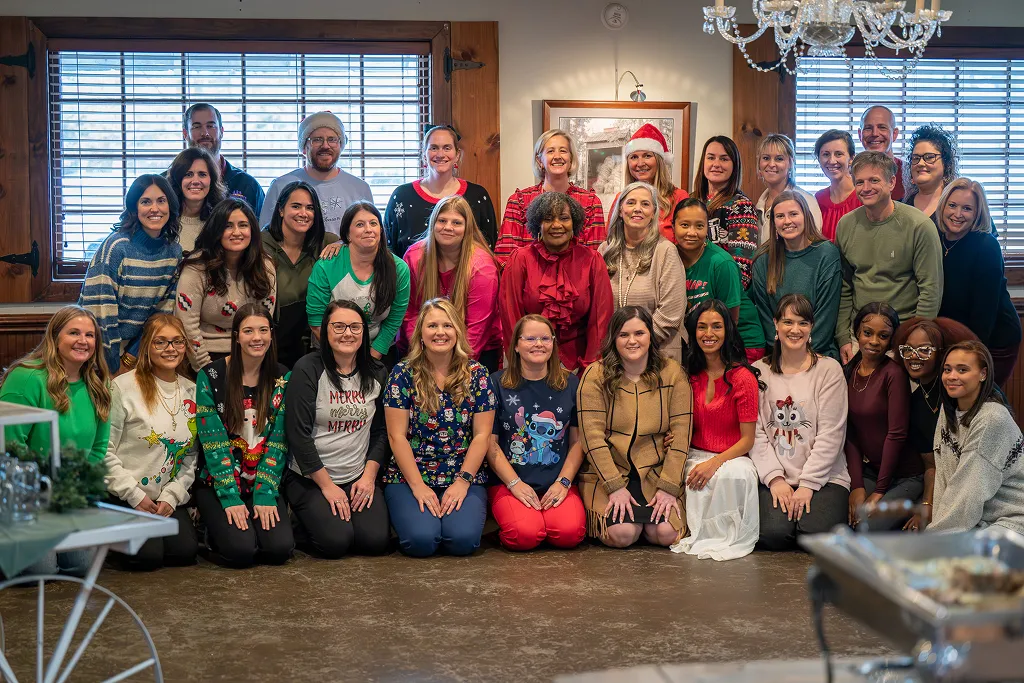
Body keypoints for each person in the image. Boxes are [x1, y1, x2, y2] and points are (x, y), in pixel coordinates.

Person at [0, 306, 112, 576]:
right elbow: (10, 449)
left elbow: (98, 448)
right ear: (55, 337)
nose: (82, 341)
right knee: (42, 569)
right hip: (21, 492)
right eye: (73, 333)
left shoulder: (99, 384)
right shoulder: (27, 377)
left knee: (82, 565)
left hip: (69, 492)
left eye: (89, 335)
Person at [382, 299, 496, 557]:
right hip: (411, 472)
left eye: (447, 325)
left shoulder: (477, 374)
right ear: (420, 333)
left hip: (462, 470)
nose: (440, 332)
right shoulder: (402, 373)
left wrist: (463, 482)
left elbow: (482, 435)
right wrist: (417, 486)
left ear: (457, 332)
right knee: (421, 542)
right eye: (432, 325)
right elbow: (396, 436)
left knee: (462, 541)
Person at [576, 306, 693, 548]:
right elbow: (592, 438)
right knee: (623, 535)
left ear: (651, 335)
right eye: (623, 335)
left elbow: (681, 434)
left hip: (655, 471)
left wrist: (669, 486)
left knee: (665, 534)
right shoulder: (595, 376)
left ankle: (649, 519)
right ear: (613, 339)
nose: (632, 341)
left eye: (639, 333)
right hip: (611, 470)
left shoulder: (672, 374)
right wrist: (614, 486)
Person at [283, 300, 391, 558]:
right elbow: (298, 435)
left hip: (357, 475)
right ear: (325, 330)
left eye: (355, 327)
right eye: (339, 326)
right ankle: (302, 523)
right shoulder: (307, 369)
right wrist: (327, 486)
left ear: (364, 333)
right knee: (335, 543)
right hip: (310, 478)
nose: (347, 333)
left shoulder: (377, 372)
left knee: (374, 542)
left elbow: (381, 432)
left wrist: (368, 477)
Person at [193, 304, 293, 567]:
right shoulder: (212, 376)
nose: (256, 338)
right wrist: (229, 497)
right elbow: (213, 444)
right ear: (236, 336)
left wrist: (265, 493)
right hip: (218, 480)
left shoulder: (283, 377)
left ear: (272, 335)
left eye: (263, 330)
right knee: (240, 552)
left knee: (280, 549)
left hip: (260, 478)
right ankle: (208, 527)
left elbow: (278, 443)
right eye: (248, 331)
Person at [750, 294, 849, 551]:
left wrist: (807, 485)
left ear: (811, 327)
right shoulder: (758, 371)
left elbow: (831, 434)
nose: (795, 330)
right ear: (775, 324)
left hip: (825, 478)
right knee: (773, 535)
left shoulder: (829, 370)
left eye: (803, 323)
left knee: (813, 535)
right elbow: (757, 432)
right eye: (788, 322)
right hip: (776, 476)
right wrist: (775, 479)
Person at [104, 314, 198, 570]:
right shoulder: (123, 387)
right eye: (161, 342)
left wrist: (172, 496)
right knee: (147, 558)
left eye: (177, 342)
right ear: (147, 346)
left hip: (165, 498)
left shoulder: (193, 390)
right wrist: (133, 495)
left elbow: (191, 456)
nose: (171, 349)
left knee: (184, 552)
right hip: (126, 495)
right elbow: (105, 451)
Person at [486, 314, 586, 551]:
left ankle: (544, 518)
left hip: (556, 481)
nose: (538, 344)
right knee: (525, 535)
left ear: (553, 343)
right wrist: (514, 483)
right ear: (517, 345)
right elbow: (489, 444)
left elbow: (577, 441)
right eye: (530, 338)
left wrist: (564, 482)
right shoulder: (496, 383)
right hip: (509, 480)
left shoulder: (571, 383)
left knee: (569, 534)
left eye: (545, 338)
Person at [670, 299, 760, 561]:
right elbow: (684, 422)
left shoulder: (742, 378)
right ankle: (690, 530)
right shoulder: (690, 375)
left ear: (728, 331)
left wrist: (715, 463)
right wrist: (674, 438)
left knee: (736, 476)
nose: (708, 334)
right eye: (702, 327)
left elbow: (747, 440)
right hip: (694, 453)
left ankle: (725, 537)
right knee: (689, 474)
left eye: (716, 327)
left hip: (731, 456)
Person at [835, 151, 943, 364]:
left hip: (903, 336)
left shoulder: (919, 226)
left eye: (874, 180)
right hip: (860, 336)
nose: (866, 188)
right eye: (860, 182)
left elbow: (931, 289)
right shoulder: (846, 225)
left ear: (892, 182)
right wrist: (843, 337)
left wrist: (914, 338)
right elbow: (844, 286)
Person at [79, 174, 183, 374]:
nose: (155, 209)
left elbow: (161, 315)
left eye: (161, 201)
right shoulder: (115, 248)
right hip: (96, 352)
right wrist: (111, 366)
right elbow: (99, 314)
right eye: (146, 202)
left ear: (171, 206)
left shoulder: (174, 253)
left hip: (138, 353)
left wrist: (130, 357)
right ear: (135, 209)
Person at [499, 192, 613, 372]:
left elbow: (600, 321)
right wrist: (520, 363)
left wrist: (590, 369)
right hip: (529, 363)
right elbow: (510, 315)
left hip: (578, 364)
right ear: (538, 224)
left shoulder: (592, 260)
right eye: (549, 219)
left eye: (564, 218)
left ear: (574, 222)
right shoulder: (520, 259)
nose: (557, 225)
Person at [892, 317, 978, 532]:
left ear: (941, 352)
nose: (914, 357)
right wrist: (927, 505)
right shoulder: (916, 403)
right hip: (941, 484)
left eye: (924, 350)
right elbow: (931, 465)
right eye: (908, 350)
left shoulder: (957, 389)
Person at [929, 341, 1024, 535]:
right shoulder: (948, 412)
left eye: (962, 370)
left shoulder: (991, 418)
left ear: (983, 374)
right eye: (948, 369)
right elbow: (945, 479)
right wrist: (936, 533)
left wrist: (935, 540)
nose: (952, 376)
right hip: (975, 519)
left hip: (1010, 521)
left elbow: (969, 492)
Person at [843, 303, 923, 531]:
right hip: (872, 471)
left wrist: (879, 491)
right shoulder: (849, 371)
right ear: (857, 332)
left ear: (891, 339)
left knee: (867, 525)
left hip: (906, 476)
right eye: (867, 333)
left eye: (883, 335)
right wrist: (857, 485)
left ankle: (917, 506)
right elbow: (850, 434)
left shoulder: (894, 374)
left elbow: (896, 435)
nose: (874, 341)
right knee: (843, 518)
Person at [935, 177, 1021, 386]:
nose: (957, 214)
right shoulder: (936, 237)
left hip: (993, 340)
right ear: (943, 205)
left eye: (967, 208)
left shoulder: (986, 245)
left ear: (977, 213)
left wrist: (970, 355)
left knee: (982, 399)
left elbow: (984, 312)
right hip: (955, 338)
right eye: (952, 205)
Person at [175, 198, 277, 370]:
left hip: (251, 354)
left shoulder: (265, 266)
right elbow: (187, 325)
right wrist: (208, 372)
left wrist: (250, 365)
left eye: (243, 225)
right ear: (216, 230)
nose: (236, 232)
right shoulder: (197, 267)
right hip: (203, 357)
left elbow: (263, 323)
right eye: (228, 226)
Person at [400, 196, 500, 368]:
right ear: (433, 223)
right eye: (442, 221)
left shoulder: (482, 268)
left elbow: (476, 329)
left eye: (456, 223)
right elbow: (410, 314)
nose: (448, 227)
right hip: (422, 351)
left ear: (467, 228)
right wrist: (422, 358)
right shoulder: (414, 257)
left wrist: (449, 370)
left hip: (475, 352)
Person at [306, 201, 410, 361]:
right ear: (347, 234)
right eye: (360, 224)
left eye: (373, 223)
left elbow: (393, 321)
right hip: (331, 350)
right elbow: (316, 321)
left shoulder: (399, 269)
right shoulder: (326, 265)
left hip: (377, 351)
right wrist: (348, 359)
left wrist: (371, 358)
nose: (368, 229)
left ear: (381, 230)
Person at [599, 182, 687, 363]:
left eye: (645, 204)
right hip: (613, 356)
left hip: (658, 354)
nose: (637, 209)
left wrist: (634, 343)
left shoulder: (665, 251)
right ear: (620, 210)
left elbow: (671, 313)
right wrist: (617, 345)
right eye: (631, 203)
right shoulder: (605, 250)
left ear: (654, 213)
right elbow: (597, 309)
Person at [750, 191, 842, 360]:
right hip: (779, 356)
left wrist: (802, 356)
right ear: (773, 222)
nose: (787, 221)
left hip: (819, 355)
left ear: (806, 216)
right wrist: (785, 356)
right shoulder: (763, 260)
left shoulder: (827, 254)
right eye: (780, 216)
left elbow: (826, 319)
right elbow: (766, 319)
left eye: (793, 214)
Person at [494, 129, 606, 264]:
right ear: (539, 160)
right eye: (550, 151)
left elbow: (595, 257)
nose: (557, 156)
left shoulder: (590, 203)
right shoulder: (519, 201)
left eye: (563, 151)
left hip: (577, 282)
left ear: (571, 159)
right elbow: (506, 257)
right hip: (528, 282)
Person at [384, 125, 497, 258]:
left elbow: (489, 249)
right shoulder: (402, 196)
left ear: (457, 155)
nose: (440, 154)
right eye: (434, 148)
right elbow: (388, 252)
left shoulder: (478, 196)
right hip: (411, 278)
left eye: (447, 148)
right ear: (424, 155)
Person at [674, 198, 765, 362]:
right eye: (685, 225)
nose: (692, 232)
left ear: (707, 228)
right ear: (673, 226)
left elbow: (732, 321)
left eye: (699, 226)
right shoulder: (670, 257)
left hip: (740, 341)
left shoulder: (722, 263)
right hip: (704, 342)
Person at [261, 181, 340, 368]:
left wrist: (342, 244)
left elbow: (355, 245)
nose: (303, 213)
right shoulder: (260, 244)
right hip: (271, 341)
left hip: (311, 343)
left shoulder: (325, 242)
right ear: (281, 210)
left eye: (310, 208)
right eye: (296, 206)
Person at [260, 111, 374, 235]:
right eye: (317, 140)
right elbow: (266, 239)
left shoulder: (360, 188)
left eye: (332, 139)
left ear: (340, 145)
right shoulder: (281, 186)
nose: (325, 145)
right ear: (304, 147)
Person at [691, 135, 758, 289]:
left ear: (734, 166)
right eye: (711, 158)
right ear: (703, 163)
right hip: (687, 290)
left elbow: (742, 269)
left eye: (724, 159)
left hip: (720, 294)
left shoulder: (742, 207)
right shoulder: (691, 200)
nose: (716, 164)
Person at [182, 102, 265, 215]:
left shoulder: (248, 185)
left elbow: (260, 230)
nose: (205, 133)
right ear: (185, 134)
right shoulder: (170, 183)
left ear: (221, 131)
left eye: (210, 126)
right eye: (196, 126)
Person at [611, 123, 688, 241]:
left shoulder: (679, 197)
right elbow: (610, 239)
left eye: (647, 156)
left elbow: (687, 243)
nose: (640, 163)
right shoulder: (621, 198)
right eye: (634, 157)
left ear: (659, 161)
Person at [754, 133, 822, 243]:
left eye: (779, 158)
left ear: (790, 162)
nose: (771, 164)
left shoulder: (806, 200)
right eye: (766, 158)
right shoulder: (758, 206)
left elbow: (813, 246)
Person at [166, 147, 226, 252]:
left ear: (211, 180)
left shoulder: (221, 221)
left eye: (202, 174)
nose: (195, 181)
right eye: (188, 174)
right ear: (177, 179)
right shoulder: (164, 220)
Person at [902, 124, 958, 226]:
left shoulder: (960, 206)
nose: (920, 163)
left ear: (946, 164)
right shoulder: (900, 208)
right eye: (915, 158)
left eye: (929, 157)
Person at [813, 130, 861, 242]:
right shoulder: (818, 198)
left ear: (852, 158)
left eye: (839, 154)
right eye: (826, 154)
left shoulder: (862, 196)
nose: (832, 160)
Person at [858, 105, 905, 201]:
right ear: (860, 134)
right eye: (868, 128)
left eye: (882, 127)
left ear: (894, 134)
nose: (874, 133)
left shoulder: (909, 174)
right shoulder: (852, 175)